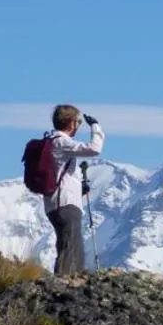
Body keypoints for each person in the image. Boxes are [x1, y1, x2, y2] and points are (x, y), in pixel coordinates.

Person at [42, 105, 104, 277]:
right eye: (79, 122)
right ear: (71, 123)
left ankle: (68, 281)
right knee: (71, 246)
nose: (79, 126)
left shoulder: (51, 141)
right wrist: (96, 128)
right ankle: (63, 284)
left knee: (68, 244)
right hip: (65, 203)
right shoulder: (61, 141)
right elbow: (94, 149)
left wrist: (79, 190)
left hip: (55, 202)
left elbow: (63, 176)